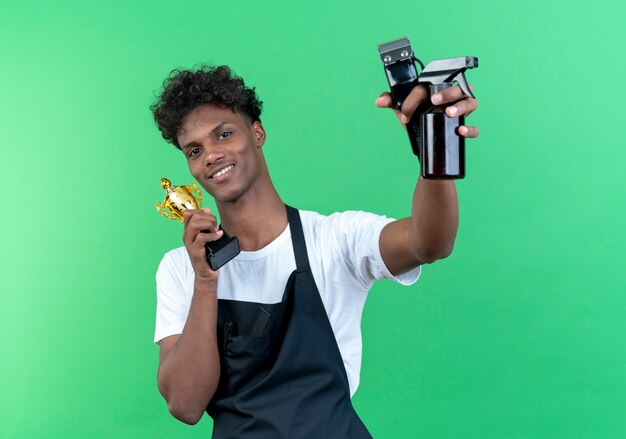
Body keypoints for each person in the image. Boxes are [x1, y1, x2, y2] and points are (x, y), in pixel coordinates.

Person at [150, 65, 479, 438]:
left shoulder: (333, 239)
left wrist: (435, 147)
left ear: (257, 133)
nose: (210, 155)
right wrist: (206, 281)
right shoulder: (181, 268)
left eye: (223, 134)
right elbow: (186, 404)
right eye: (195, 150)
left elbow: (430, 243)